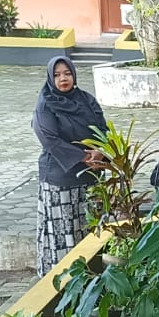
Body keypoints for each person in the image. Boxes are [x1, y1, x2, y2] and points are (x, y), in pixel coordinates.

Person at [31, 56, 107, 275]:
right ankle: (64, 279)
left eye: (67, 73)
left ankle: (92, 277)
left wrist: (100, 151)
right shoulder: (45, 104)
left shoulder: (86, 100)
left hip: (91, 175)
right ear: (50, 78)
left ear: (74, 74)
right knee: (64, 230)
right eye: (57, 75)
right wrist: (83, 157)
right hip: (60, 178)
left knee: (92, 226)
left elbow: (103, 129)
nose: (63, 78)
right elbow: (49, 139)